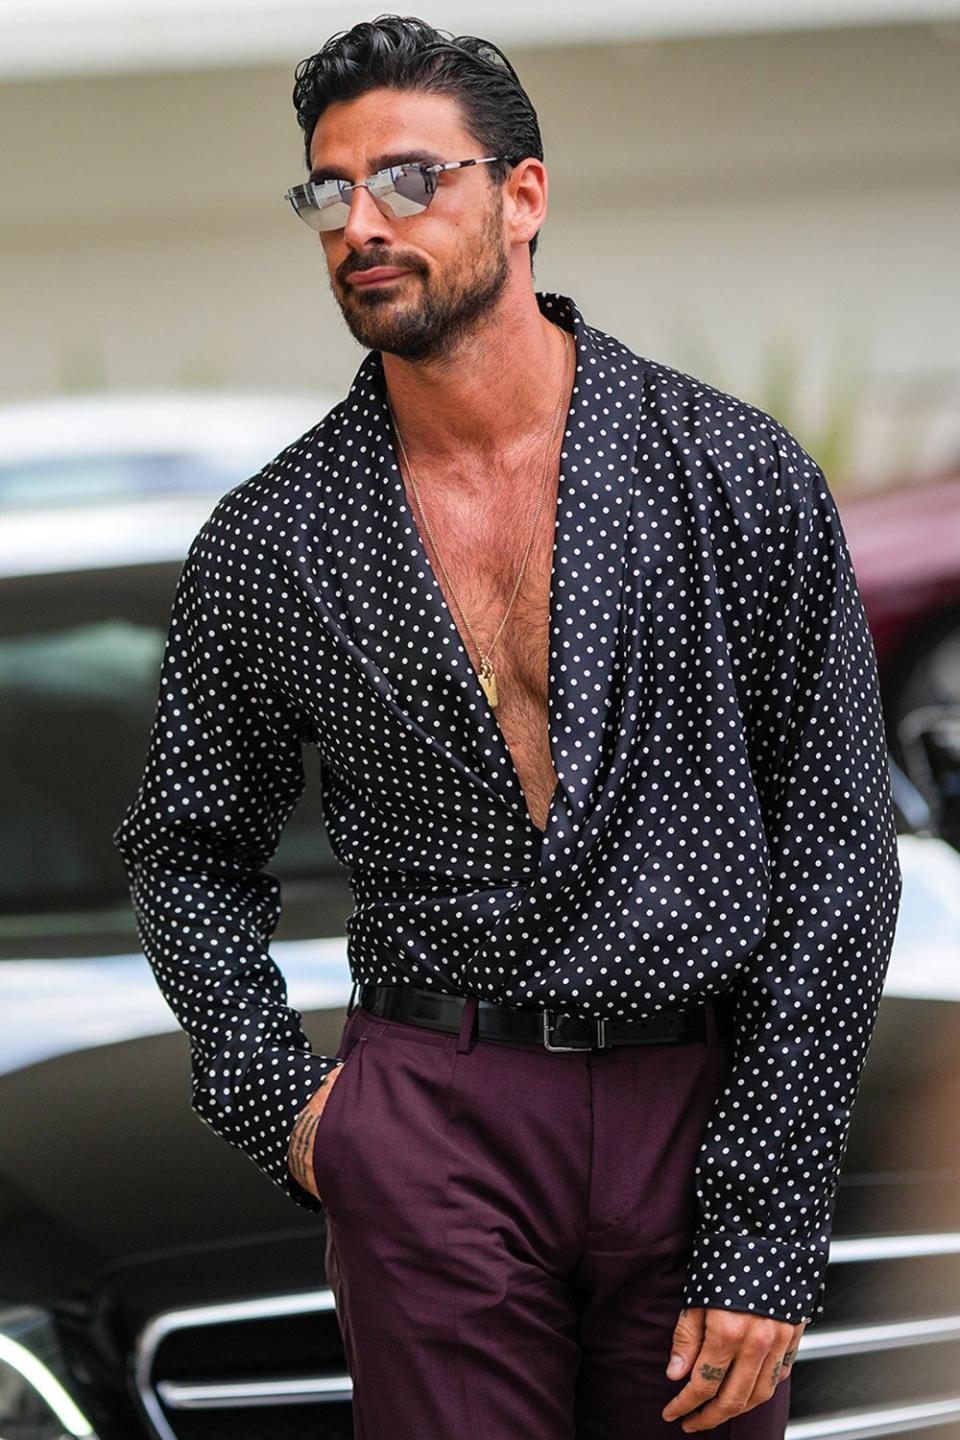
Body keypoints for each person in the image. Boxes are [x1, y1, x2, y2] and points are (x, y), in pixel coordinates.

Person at [112, 14, 903, 1438]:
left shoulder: (733, 476)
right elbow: (187, 846)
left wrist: (767, 1224)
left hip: (693, 1095)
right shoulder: (272, 540)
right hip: (435, 1104)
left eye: (409, 181)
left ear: (522, 195)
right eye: (329, 191)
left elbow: (840, 856)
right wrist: (291, 1114)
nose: (363, 223)